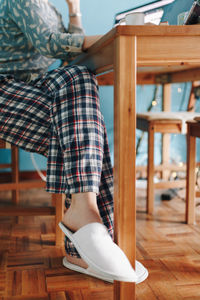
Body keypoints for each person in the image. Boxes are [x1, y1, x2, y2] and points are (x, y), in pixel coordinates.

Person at [0, 0, 148, 282]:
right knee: (78, 122)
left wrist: (74, 7)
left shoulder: (50, 8)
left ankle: (84, 214)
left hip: (37, 89)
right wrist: (117, 34)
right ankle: (84, 239)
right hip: (6, 89)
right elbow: (54, 45)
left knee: (79, 78)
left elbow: (71, 58)